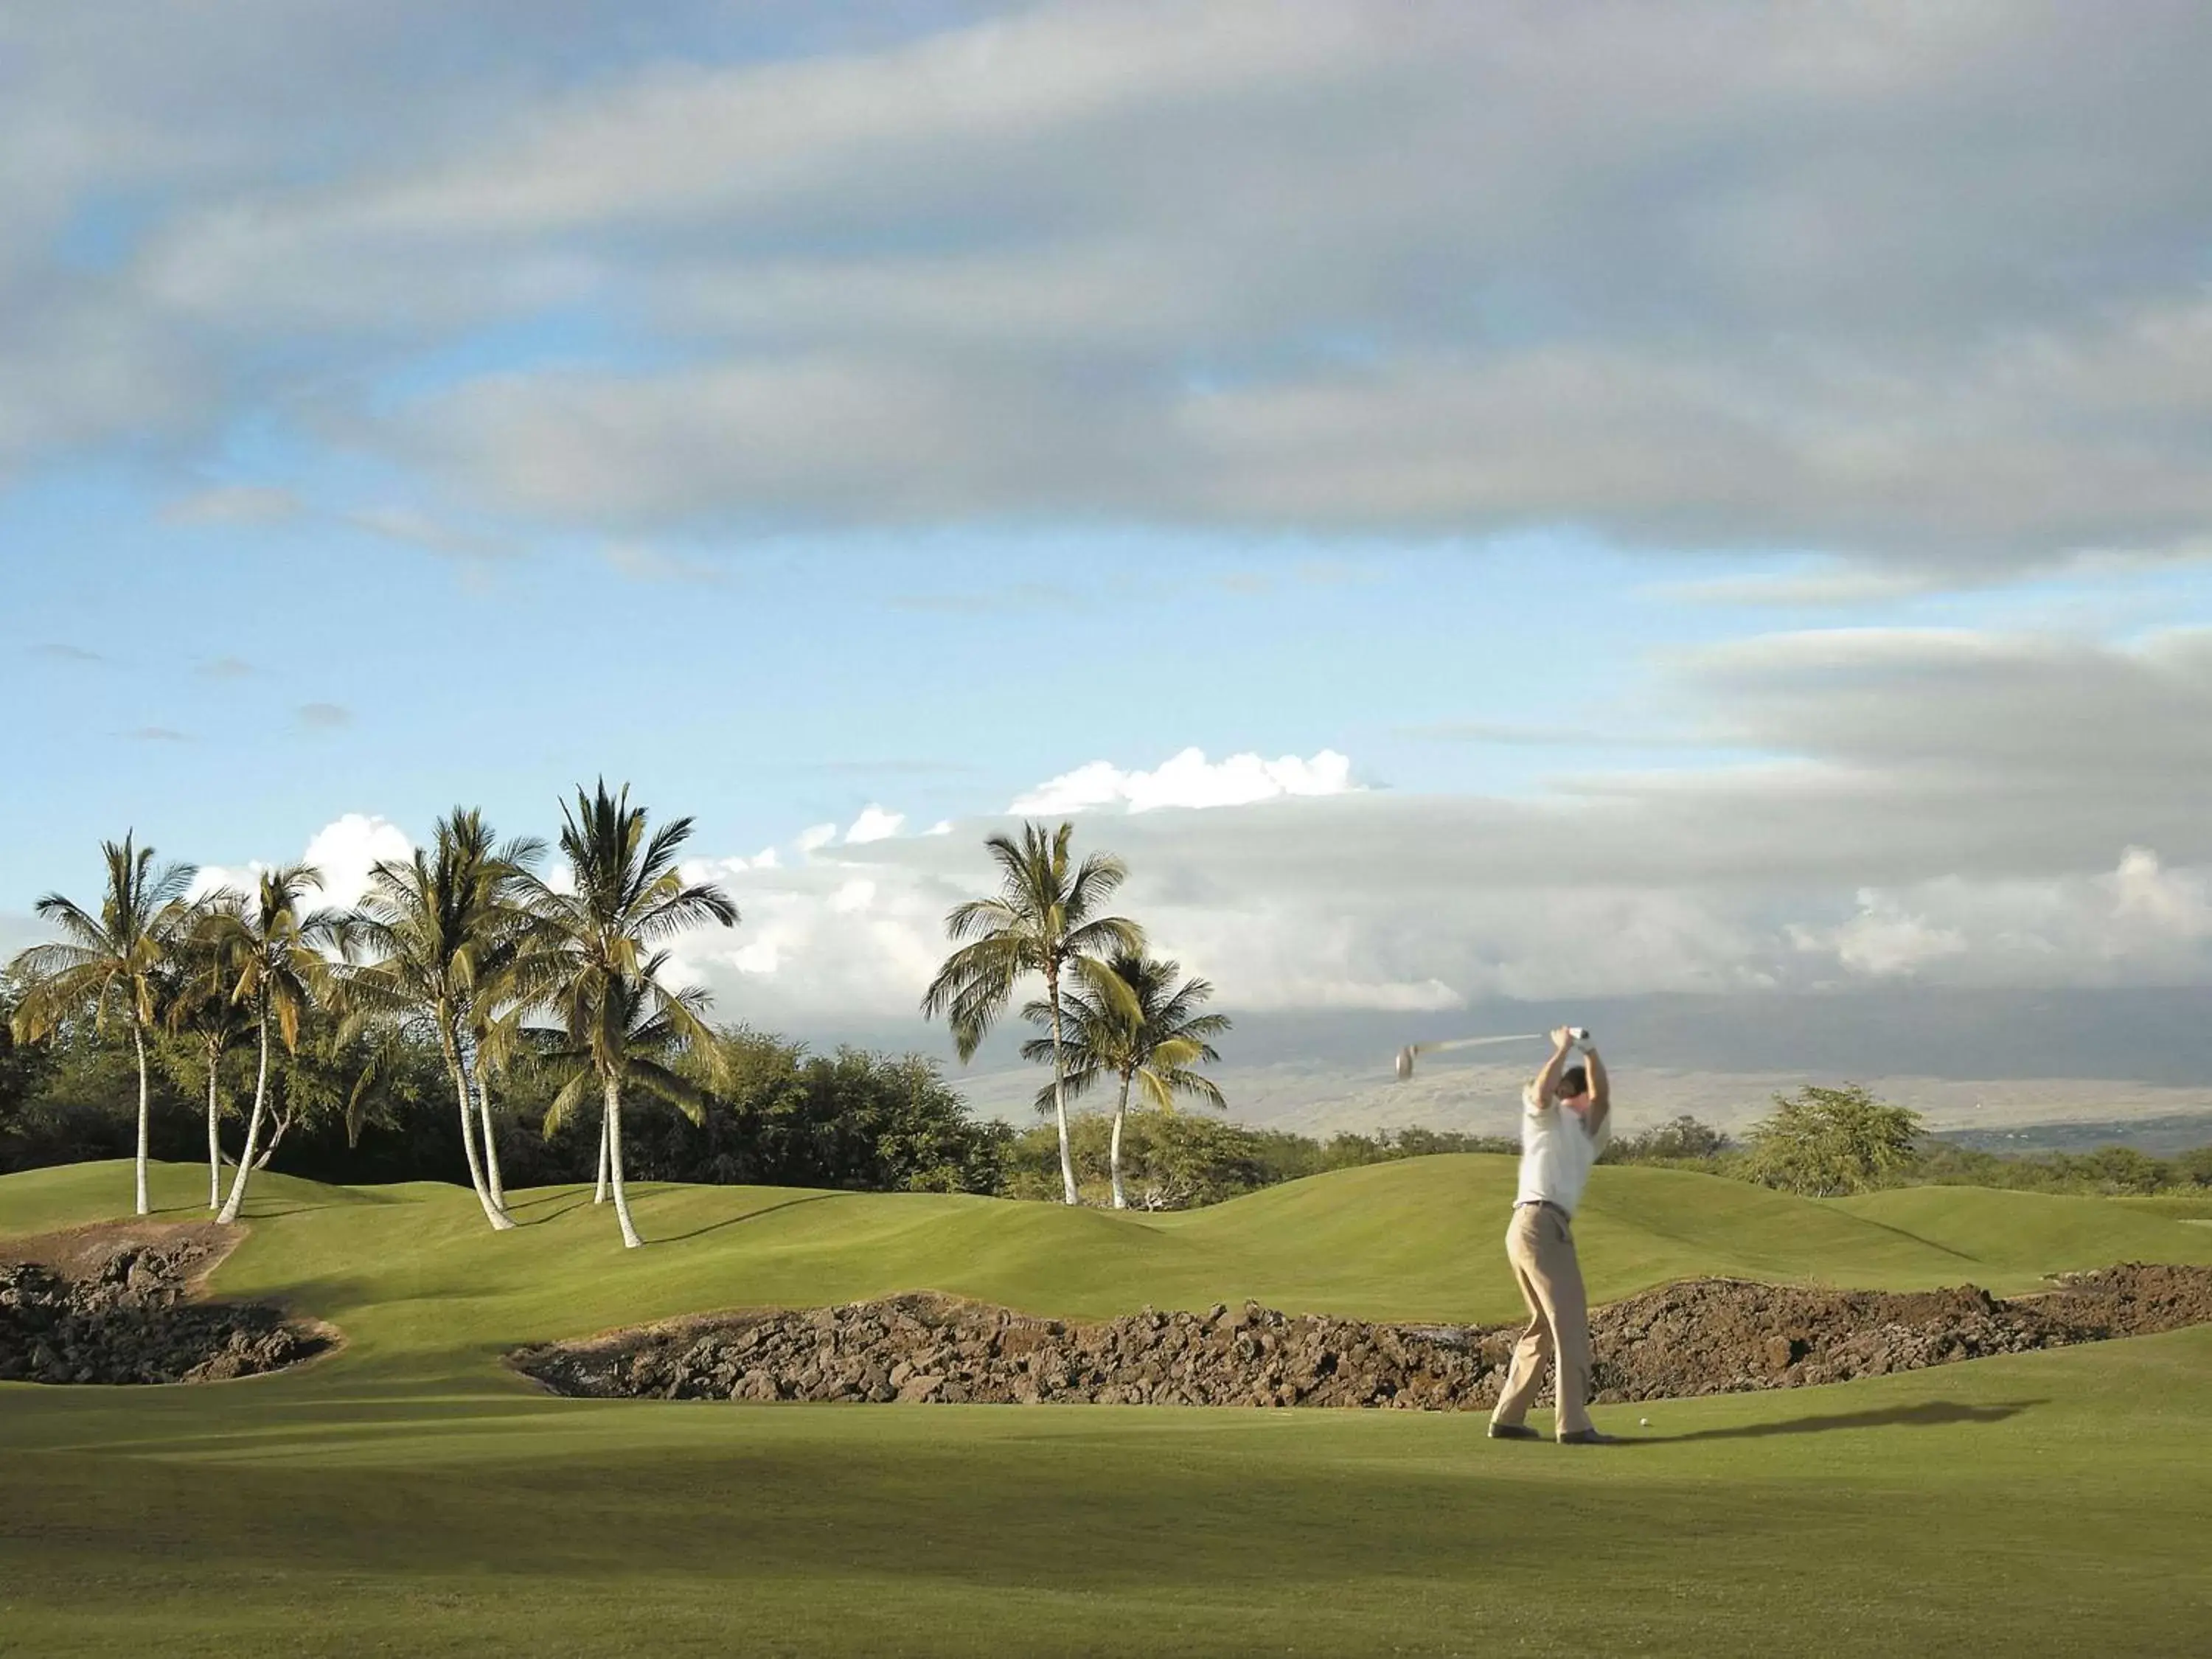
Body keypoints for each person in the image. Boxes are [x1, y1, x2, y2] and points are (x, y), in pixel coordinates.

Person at [1487, 1024, 1614, 1444]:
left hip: (1534, 1227)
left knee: (1542, 1326)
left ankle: (1508, 1417)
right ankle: (1573, 1425)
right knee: (1570, 1326)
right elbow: (1541, 1093)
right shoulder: (1545, 1118)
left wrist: (1591, 1051)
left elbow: (1601, 1097)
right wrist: (1562, 1050)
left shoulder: (1587, 1134)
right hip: (1539, 1225)